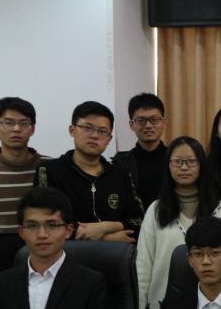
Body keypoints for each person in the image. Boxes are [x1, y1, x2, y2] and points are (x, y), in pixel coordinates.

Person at [136, 137, 221, 309]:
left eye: (191, 161)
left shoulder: (219, 209)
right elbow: (144, 263)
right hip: (162, 304)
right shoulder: (156, 210)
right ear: (168, 166)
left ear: (202, 165)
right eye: (177, 162)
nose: (184, 167)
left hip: (210, 305)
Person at [35, 101, 143, 243]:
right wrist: (108, 238)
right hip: (68, 252)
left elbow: (138, 220)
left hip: (114, 255)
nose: (94, 136)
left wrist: (104, 227)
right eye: (87, 128)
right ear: (72, 130)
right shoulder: (50, 170)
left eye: (102, 131)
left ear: (109, 139)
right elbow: (45, 221)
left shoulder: (120, 174)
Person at [0, 96, 47, 233]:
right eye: (8, 123)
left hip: (44, 243)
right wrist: (7, 240)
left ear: (32, 129)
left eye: (24, 123)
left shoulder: (50, 166)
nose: (16, 129)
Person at [113, 93, 168, 207]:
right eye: (141, 120)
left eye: (154, 119)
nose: (148, 125)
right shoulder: (121, 162)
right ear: (131, 125)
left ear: (163, 123)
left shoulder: (175, 159)